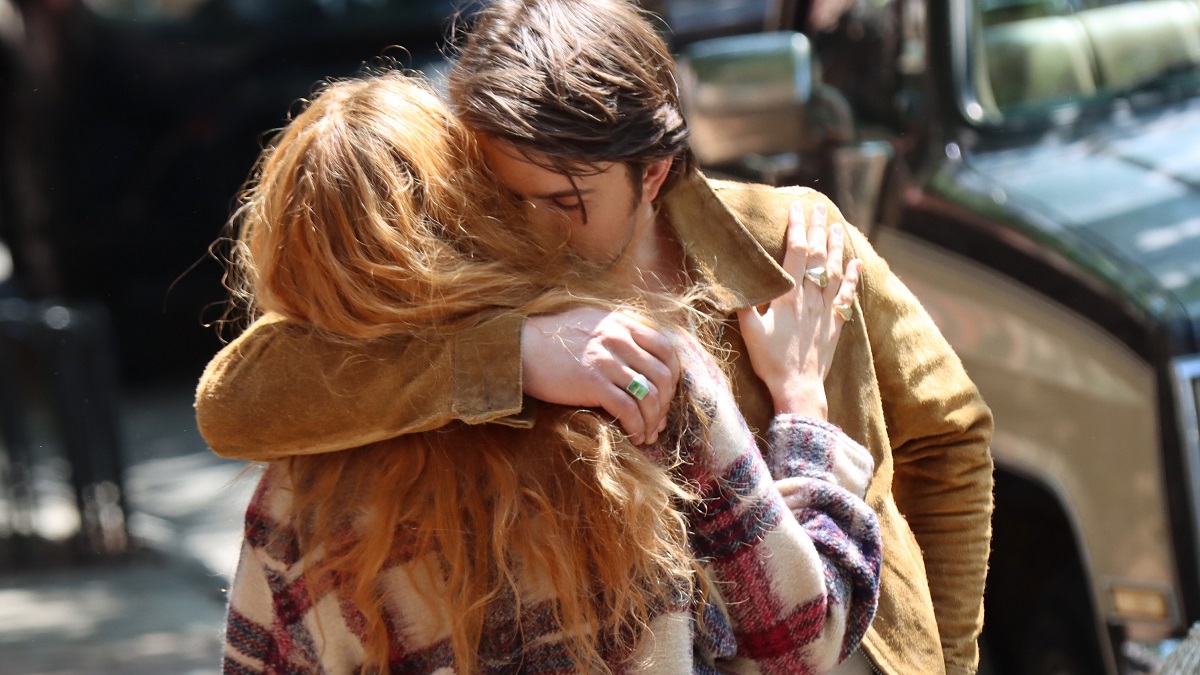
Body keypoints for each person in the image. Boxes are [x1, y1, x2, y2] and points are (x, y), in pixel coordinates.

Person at [196, 1, 995, 673]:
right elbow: (240, 398)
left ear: (650, 174)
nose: (526, 229)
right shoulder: (484, 280)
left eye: (563, 200)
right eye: (501, 195)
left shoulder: (796, 248)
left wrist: (947, 658)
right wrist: (505, 356)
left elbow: (950, 437)